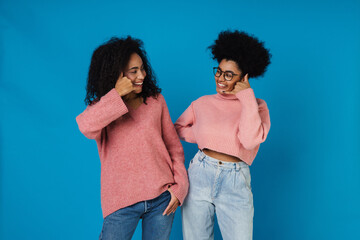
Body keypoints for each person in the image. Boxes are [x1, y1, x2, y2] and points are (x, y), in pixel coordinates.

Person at [76, 36, 188, 240]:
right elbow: (85, 126)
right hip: (121, 201)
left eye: (142, 69)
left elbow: (174, 149)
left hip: (161, 198)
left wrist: (180, 188)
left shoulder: (155, 101)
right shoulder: (103, 107)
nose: (142, 75)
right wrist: (116, 95)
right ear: (115, 74)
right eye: (133, 71)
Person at [175, 30, 271, 240]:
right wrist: (203, 136)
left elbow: (248, 140)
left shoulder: (257, 107)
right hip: (200, 173)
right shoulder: (201, 103)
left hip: (235, 179)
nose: (220, 78)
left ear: (244, 77)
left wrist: (246, 97)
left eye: (228, 74)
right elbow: (178, 129)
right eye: (218, 71)